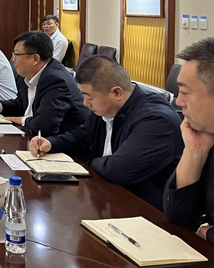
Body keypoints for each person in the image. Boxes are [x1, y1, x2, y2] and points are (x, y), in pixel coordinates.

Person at [30, 55, 182, 209]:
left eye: (89, 97)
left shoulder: (156, 121)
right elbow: (81, 137)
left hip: (146, 211)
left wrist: (92, 161)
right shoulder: (106, 109)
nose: (85, 103)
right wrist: (51, 143)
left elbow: (118, 170)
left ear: (116, 93)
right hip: (110, 198)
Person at [0, 31, 88, 135]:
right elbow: (21, 104)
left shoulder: (54, 80)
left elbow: (45, 125)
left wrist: (22, 120)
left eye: (16, 54)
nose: (13, 59)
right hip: (36, 136)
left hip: (66, 143)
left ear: (35, 58)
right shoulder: (31, 73)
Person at [164, 39, 214, 244]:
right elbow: (178, 215)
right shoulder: (207, 136)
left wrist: (205, 231)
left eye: (185, 93)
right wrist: (195, 150)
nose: (178, 102)